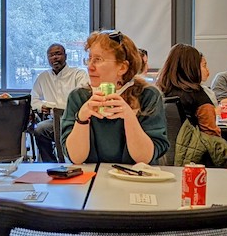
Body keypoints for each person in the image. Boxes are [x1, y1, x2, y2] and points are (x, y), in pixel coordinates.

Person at [61, 30, 168, 165]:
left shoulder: (148, 96)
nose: (89, 67)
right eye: (89, 58)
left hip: (136, 181)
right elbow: (76, 158)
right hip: (91, 180)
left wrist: (129, 117)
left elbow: (144, 158)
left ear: (122, 67)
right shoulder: (78, 97)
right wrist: (82, 117)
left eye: (98, 60)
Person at [155, 44, 227, 167]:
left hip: (163, 155)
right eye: (203, 65)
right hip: (194, 157)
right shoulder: (199, 97)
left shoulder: (160, 92)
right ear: (192, 67)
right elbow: (211, 135)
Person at [29, 43, 88, 162]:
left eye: (58, 54)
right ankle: (50, 164)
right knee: (39, 129)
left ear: (65, 56)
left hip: (75, 120)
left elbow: (83, 98)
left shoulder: (78, 74)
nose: (54, 58)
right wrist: (41, 106)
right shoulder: (43, 77)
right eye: (51, 55)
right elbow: (33, 99)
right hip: (53, 121)